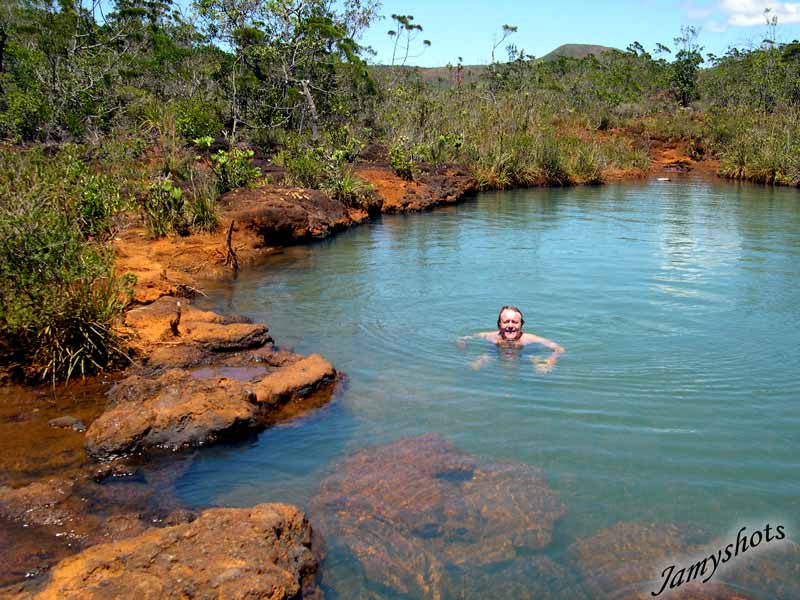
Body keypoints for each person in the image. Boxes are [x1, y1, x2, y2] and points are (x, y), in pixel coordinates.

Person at [457, 305, 565, 372]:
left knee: (536, 361)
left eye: (514, 322)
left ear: (521, 325)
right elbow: (463, 338)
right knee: (479, 362)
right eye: (506, 321)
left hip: (525, 355)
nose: (510, 325)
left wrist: (551, 360)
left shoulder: (528, 338)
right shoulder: (491, 336)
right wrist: (463, 348)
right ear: (499, 324)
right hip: (496, 354)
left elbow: (559, 349)